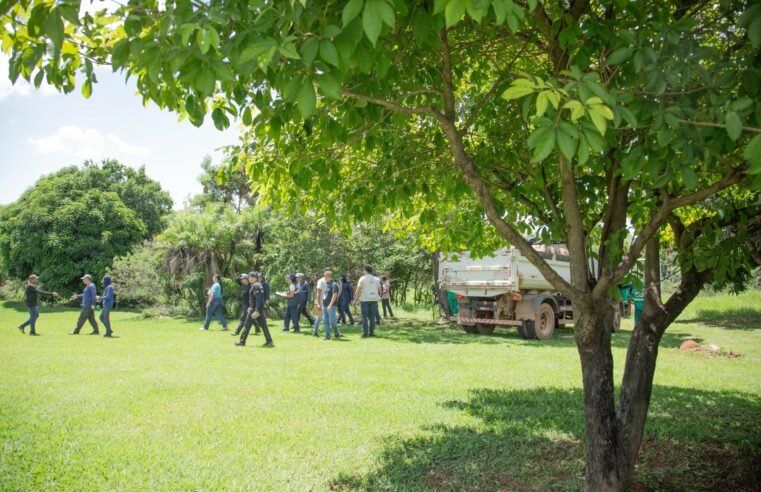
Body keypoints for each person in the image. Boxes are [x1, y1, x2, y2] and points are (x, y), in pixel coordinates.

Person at [235, 280, 273, 347]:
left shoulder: (255, 285)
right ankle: (269, 341)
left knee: (247, 325)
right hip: (257, 309)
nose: (248, 278)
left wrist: (256, 310)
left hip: (254, 310)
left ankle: (242, 342)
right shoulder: (258, 284)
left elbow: (258, 299)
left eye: (249, 277)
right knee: (264, 326)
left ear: (252, 277)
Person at [354, 265, 382, 338]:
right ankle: (371, 333)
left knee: (364, 317)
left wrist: (355, 299)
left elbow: (358, 290)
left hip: (365, 299)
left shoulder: (362, 278)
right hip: (374, 299)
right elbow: (379, 289)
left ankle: (365, 333)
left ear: (365, 270)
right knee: (372, 317)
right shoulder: (376, 279)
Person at [319, 269, 341, 340]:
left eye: (325, 276)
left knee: (332, 322)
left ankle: (336, 332)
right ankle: (327, 336)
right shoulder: (328, 284)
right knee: (325, 321)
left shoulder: (334, 284)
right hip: (325, 305)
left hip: (331, 306)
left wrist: (330, 305)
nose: (324, 277)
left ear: (328, 276)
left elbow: (335, 295)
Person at [312, 273, 327, 337]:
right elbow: (318, 292)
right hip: (320, 302)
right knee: (320, 317)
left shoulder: (330, 281)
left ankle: (315, 332)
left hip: (327, 302)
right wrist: (318, 303)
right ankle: (315, 332)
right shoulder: (321, 281)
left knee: (320, 317)